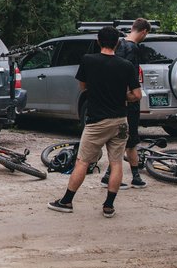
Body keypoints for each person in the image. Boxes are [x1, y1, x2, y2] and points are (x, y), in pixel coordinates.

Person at [48, 25, 141, 218]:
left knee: (83, 161)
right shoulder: (126, 65)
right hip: (120, 121)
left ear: (98, 41)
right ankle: (108, 205)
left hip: (97, 121)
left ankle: (66, 201)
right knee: (116, 163)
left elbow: (83, 86)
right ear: (117, 43)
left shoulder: (88, 60)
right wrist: (123, 96)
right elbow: (137, 95)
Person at [101, 18, 151, 190]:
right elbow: (128, 75)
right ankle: (110, 176)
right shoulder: (132, 48)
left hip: (119, 99)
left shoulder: (120, 45)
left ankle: (135, 177)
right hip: (128, 101)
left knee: (130, 139)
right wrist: (131, 95)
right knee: (125, 138)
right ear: (144, 32)